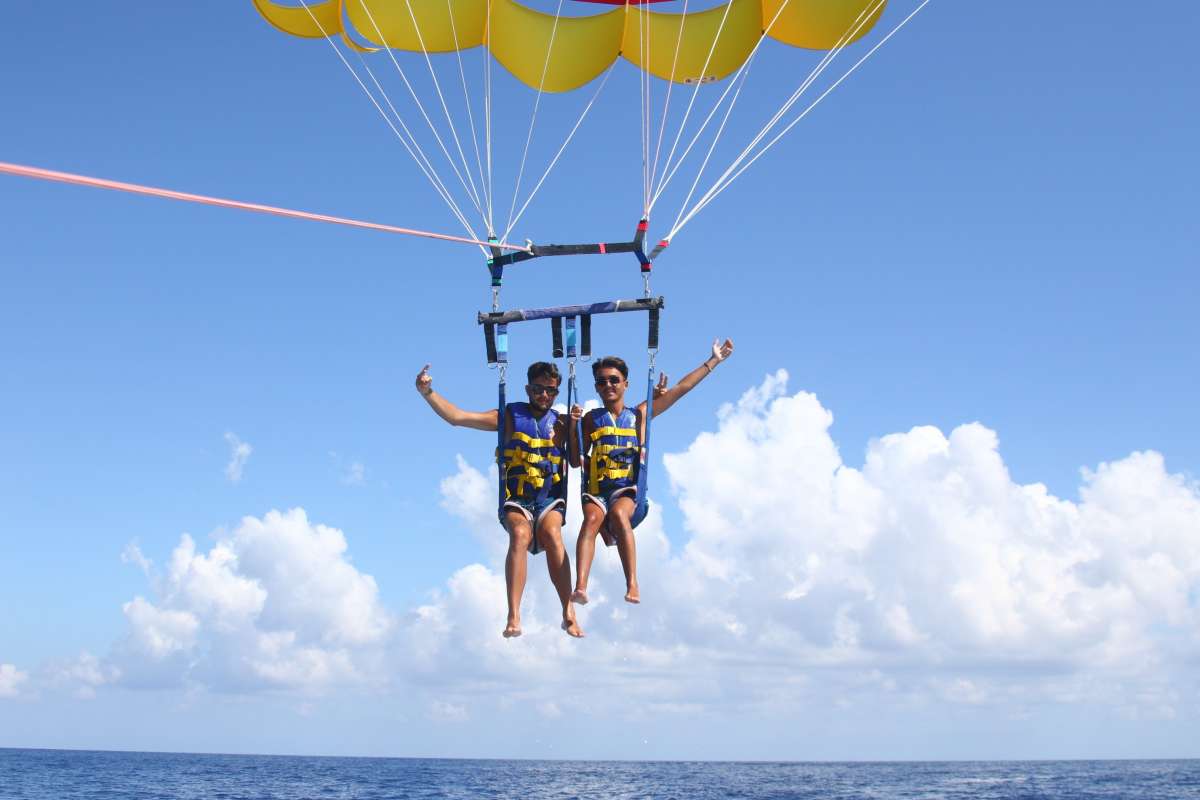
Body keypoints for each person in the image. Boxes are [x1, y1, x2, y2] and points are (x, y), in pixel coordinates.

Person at [416, 362, 583, 639]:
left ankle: (569, 611)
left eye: (550, 391)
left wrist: (575, 426)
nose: (544, 395)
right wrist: (427, 392)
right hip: (516, 498)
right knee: (519, 534)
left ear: (556, 392)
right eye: (539, 389)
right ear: (528, 389)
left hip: (549, 499)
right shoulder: (508, 417)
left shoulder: (563, 423)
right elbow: (458, 417)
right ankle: (514, 615)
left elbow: (576, 461)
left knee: (553, 533)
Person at [569, 338, 734, 605]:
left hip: (627, 491)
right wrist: (573, 427)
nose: (608, 385)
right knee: (590, 521)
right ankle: (580, 587)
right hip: (597, 490)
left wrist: (713, 360)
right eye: (601, 381)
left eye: (613, 379)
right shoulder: (589, 418)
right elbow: (575, 461)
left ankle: (632, 583)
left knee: (620, 515)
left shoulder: (640, 414)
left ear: (625, 384)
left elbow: (681, 389)